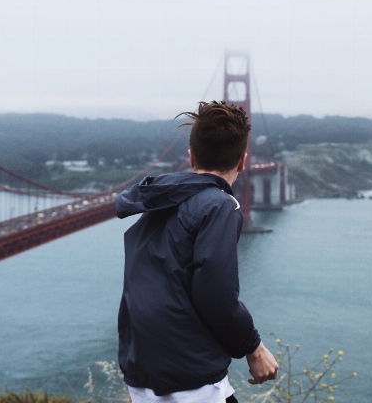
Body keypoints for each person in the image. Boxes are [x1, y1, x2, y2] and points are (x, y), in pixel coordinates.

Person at [114, 100, 278, 403]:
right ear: (243, 162)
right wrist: (253, 348)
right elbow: (215, 294)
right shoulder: (220, 207)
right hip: (190, 381)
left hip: (141, 374)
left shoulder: (157, 202)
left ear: (191, 157)